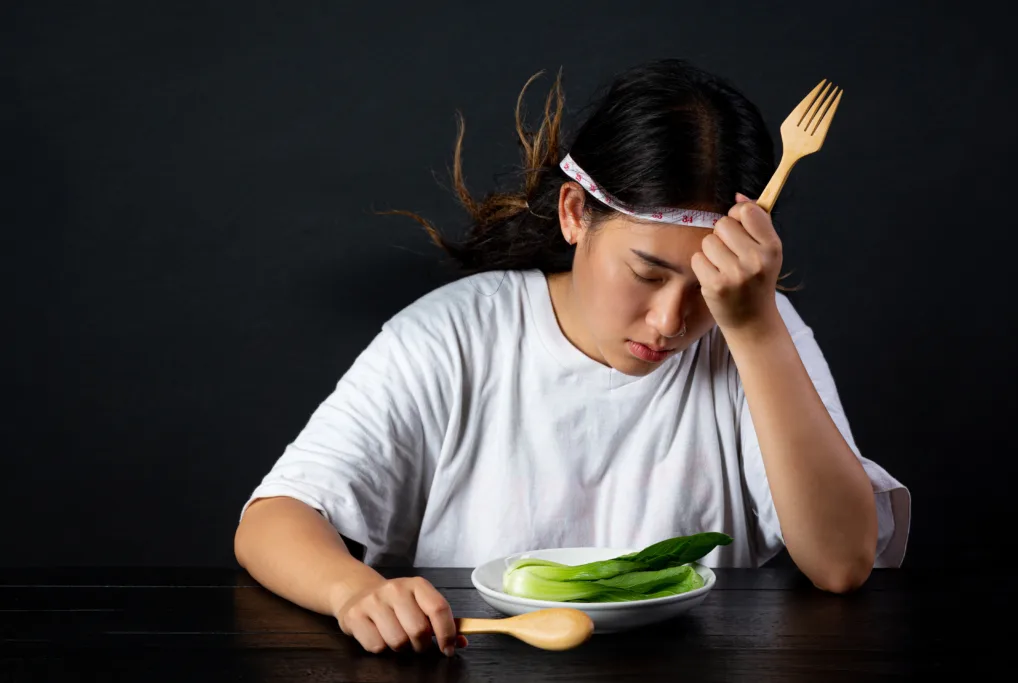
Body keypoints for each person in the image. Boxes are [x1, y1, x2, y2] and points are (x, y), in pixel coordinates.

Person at [233, 58, 910, 657]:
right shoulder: (454, 335)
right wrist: (355, 592)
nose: (671, 321)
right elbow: (274, 519)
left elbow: (841, 563)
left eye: (704, 285)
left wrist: (756, 328)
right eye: (646, 273)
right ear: (574, 214)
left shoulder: (757, 326)